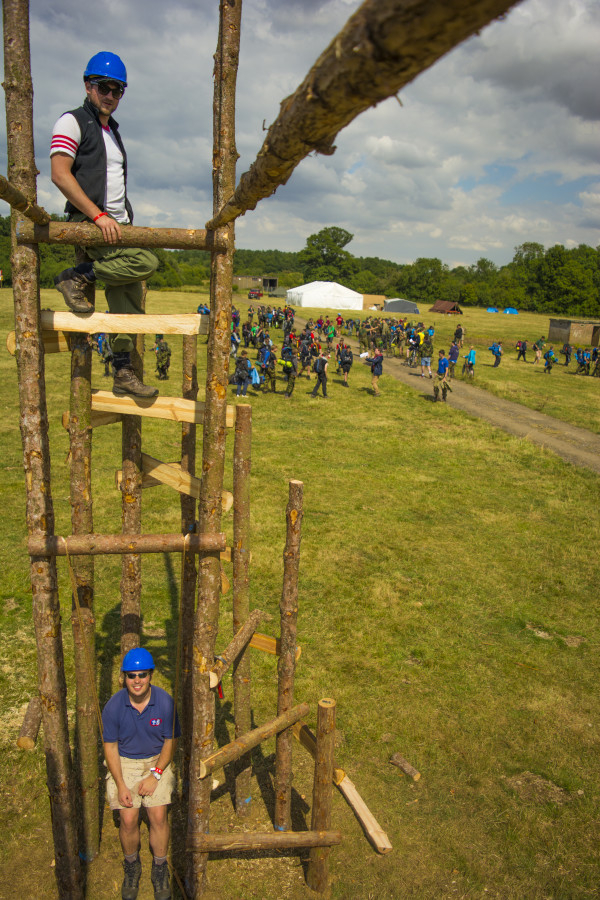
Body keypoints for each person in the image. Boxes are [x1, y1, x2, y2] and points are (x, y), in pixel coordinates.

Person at [50, 52, 159, 399]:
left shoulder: (112, 131)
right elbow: (59, 174)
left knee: (128, 300)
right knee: (147, 261)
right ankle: (78, 275)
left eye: (118, 90)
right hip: (95, 223)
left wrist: (119, 217)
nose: (110, 95)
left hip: (119, 224)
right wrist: (96, 215)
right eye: (104, 87)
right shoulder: (72, 121)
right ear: (88, 85)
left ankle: (122, 370)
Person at [102, 647, 179, 900]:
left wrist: (155, 774)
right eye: (131, 675)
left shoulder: (165, 702)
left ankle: (159, 867)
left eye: (142, 675)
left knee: (157, 816)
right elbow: (110, 748)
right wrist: (121, 784)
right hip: (124, 762)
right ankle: (132, 864)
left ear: (151, 676)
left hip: (156, 761)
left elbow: (170, 742)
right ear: (123, 677)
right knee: (128, 819)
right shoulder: (113, 707)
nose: (137, 681)